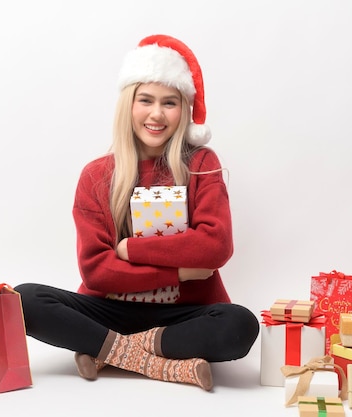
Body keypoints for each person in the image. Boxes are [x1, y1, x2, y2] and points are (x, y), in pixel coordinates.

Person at [14, 34, 259, 391]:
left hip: (183, 315)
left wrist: (130, 250)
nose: (156, 114)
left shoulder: (202, 164)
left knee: (240, 326)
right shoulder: (98, 175)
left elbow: (216, 246)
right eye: (146, 100)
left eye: (169, 103)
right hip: (109, 311)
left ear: (184, 110)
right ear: (129, 104)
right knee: (23, 299)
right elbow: (97, 271)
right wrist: (184, 270)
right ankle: (158, 362)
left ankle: (105, 349)